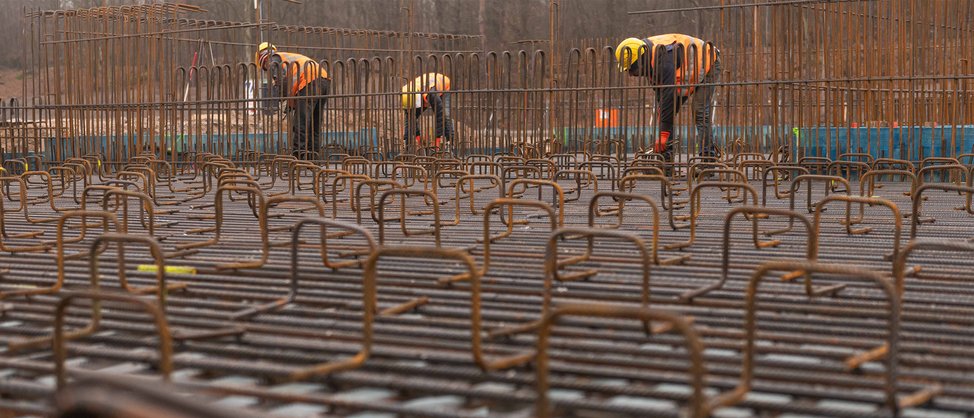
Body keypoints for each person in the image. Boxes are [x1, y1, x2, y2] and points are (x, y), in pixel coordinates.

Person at [615, 34, 721, 161]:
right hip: (685, 73)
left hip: (708, 61)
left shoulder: (663, 58)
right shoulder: (649, 59)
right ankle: (667, 159)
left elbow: (669, 94)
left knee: (700, 110)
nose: (631, 74)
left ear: (640, 60)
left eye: (631, 69)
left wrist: (663, 134)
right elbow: (664, 99)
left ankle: (708, 159)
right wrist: (662, 130)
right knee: (665, 111)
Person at [256, 42, 330, 158]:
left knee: (301, 123)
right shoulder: (286, 57)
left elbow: (282, 81)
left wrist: (282, 99)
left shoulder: (272, 60)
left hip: (309, 81)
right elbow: (293, 84)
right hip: (324, 78)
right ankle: (313, 158)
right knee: (314, 123)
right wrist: (290, 105)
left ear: (262, 59)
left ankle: (298, 157)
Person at [401, 73, 454, 150]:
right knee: (410, 116)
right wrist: (417, 138)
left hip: (443, 87)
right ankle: (406, 146)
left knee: (445, 115)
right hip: (424, 90)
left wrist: (437, 140)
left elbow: (440, 116)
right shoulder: (406, 93)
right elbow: (410, 119)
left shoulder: (432, 94)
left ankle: (450, 144)